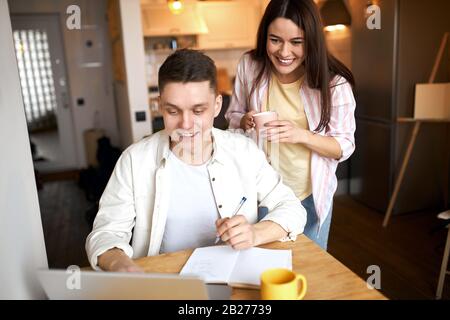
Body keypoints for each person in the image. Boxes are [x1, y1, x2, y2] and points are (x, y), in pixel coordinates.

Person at [85, 49, 307, 272]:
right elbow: (106, 232)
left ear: (217, 105)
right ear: (160, 105)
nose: (186, 124)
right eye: (173, 111)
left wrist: (255, 233)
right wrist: (120, 264)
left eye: (198, 110)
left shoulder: (244, 152)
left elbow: (292, 209)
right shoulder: (134, 160)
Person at [225, 0, 356, 250]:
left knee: (310, 273)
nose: (285, 53)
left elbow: (344, 146)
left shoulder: (334, 84)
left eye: (297, 42)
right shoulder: (250, 65)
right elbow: (233, 117)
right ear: (265, 36)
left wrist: (301, 135)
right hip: (260, 194)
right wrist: (244, 120)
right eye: (275, 40)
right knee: (261, 270)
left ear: (312, 41)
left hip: (307, 196)